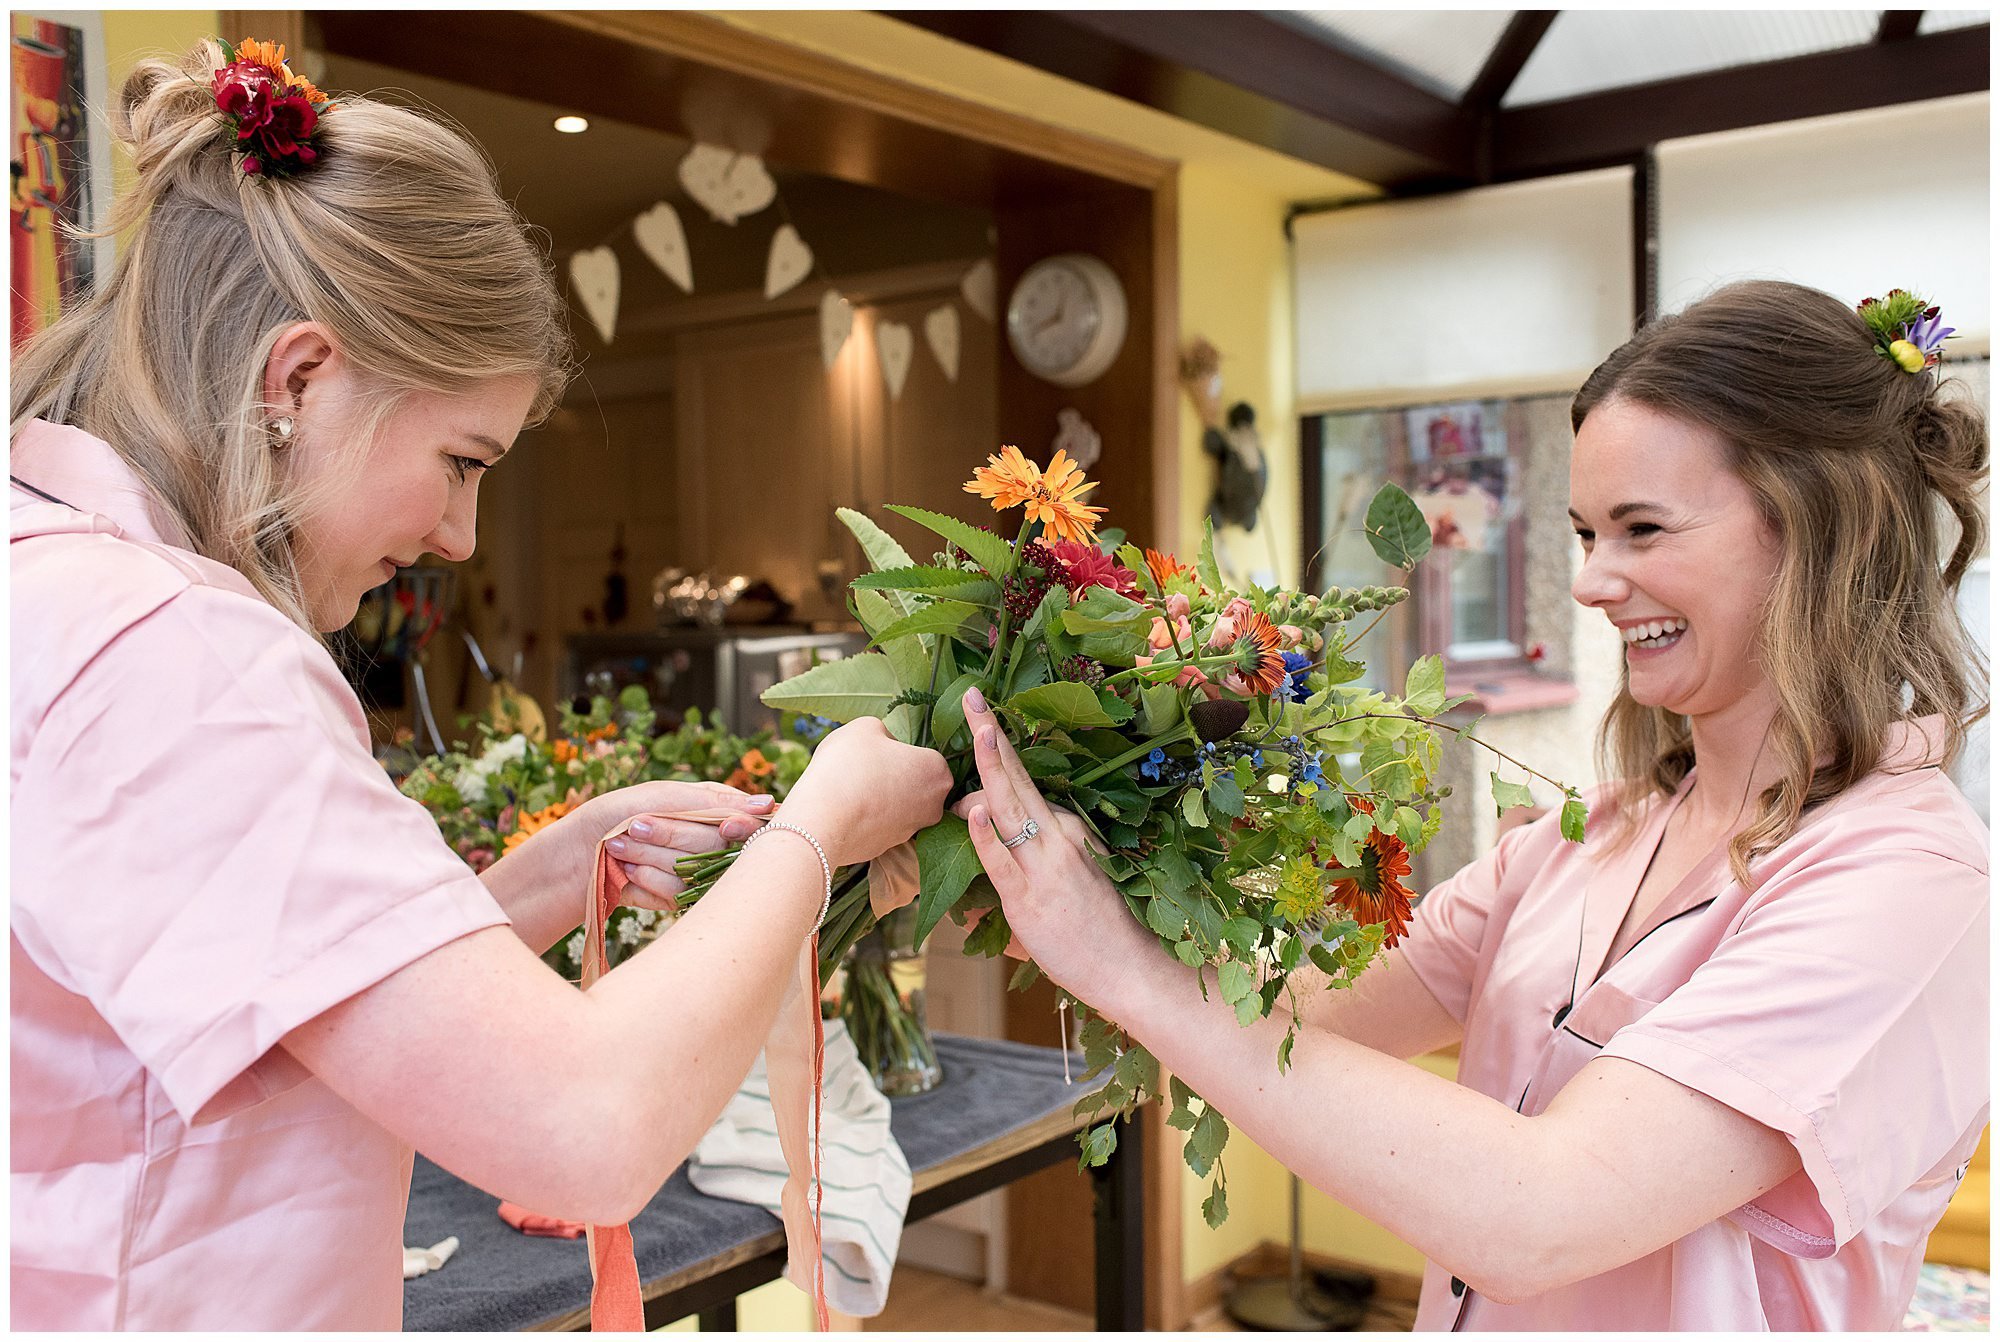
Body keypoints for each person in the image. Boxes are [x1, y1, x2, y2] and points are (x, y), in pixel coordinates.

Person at [9, 42, 951, 1330]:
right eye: (459, 462)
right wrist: (819, 822)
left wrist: (557, 873)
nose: (458, 536)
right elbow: (586, 1127)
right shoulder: (183, 660)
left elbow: (292, 981)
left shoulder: (55, 571)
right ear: (297, 380)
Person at [956, 279, 1988, 1330]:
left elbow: (1538, 1214)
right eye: (1586, 533)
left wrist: (1119, 965)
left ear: (1817, 528)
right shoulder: (1587, 836)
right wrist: (1048, 882)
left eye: (1641, 528)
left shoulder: (1904, 884)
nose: (1590, 582)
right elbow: (1306, 1015)